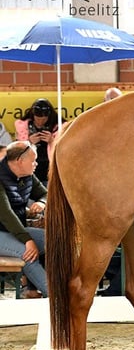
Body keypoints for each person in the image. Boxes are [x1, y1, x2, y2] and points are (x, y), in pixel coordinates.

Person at [0, 141, 48, 298]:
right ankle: (57, 298)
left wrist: (41, 202)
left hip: (16, 230)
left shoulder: (28, 175)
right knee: (27, 253)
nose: (36, 164)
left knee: (57, 240)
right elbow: (6, 215)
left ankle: (70, 287)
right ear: (19, 161)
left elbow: (45, 193)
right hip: (4, 231)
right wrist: (28, 240)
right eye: (33, 160)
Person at [14, 98, 58, 187]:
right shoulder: (23, 126)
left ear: (49, 117)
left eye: (44, 119)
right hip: (30, 171)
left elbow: (65, 150)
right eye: (37, 119)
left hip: (50, 169)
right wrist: (29, 142)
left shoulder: (58, 126)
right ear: (33, 116)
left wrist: (52, 141)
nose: (40, 122)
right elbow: (15, 152)